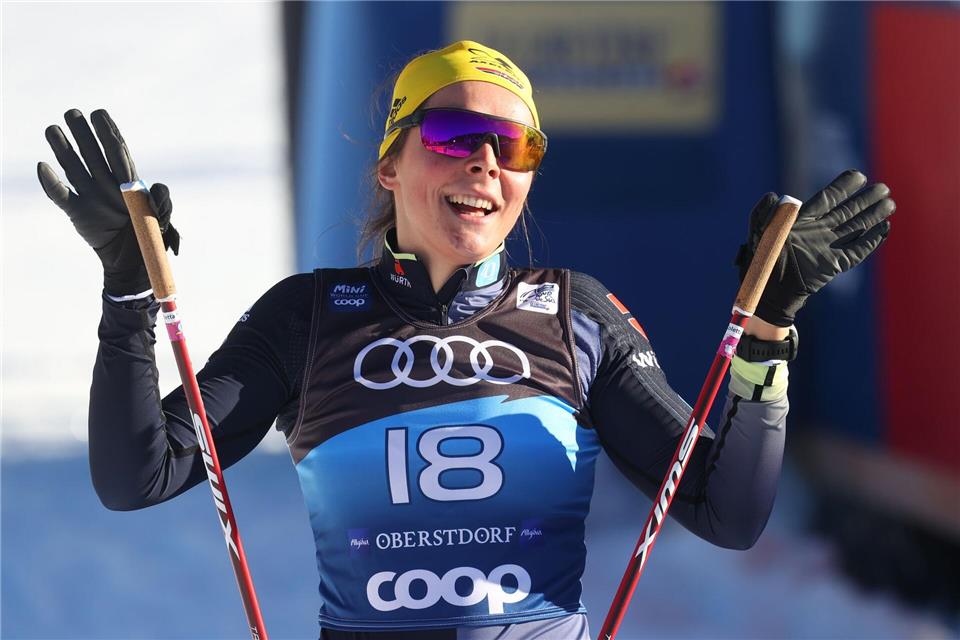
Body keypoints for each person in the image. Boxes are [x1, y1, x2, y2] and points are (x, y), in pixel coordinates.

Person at [38, 41, 894, 640]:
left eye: (514, 145)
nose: (486, 163)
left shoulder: (575, 316)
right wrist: (127, 292)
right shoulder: (306, 319)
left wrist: (769, 327)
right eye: (453, 137)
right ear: (389, 166)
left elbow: (726, 508)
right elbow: (136, 476)